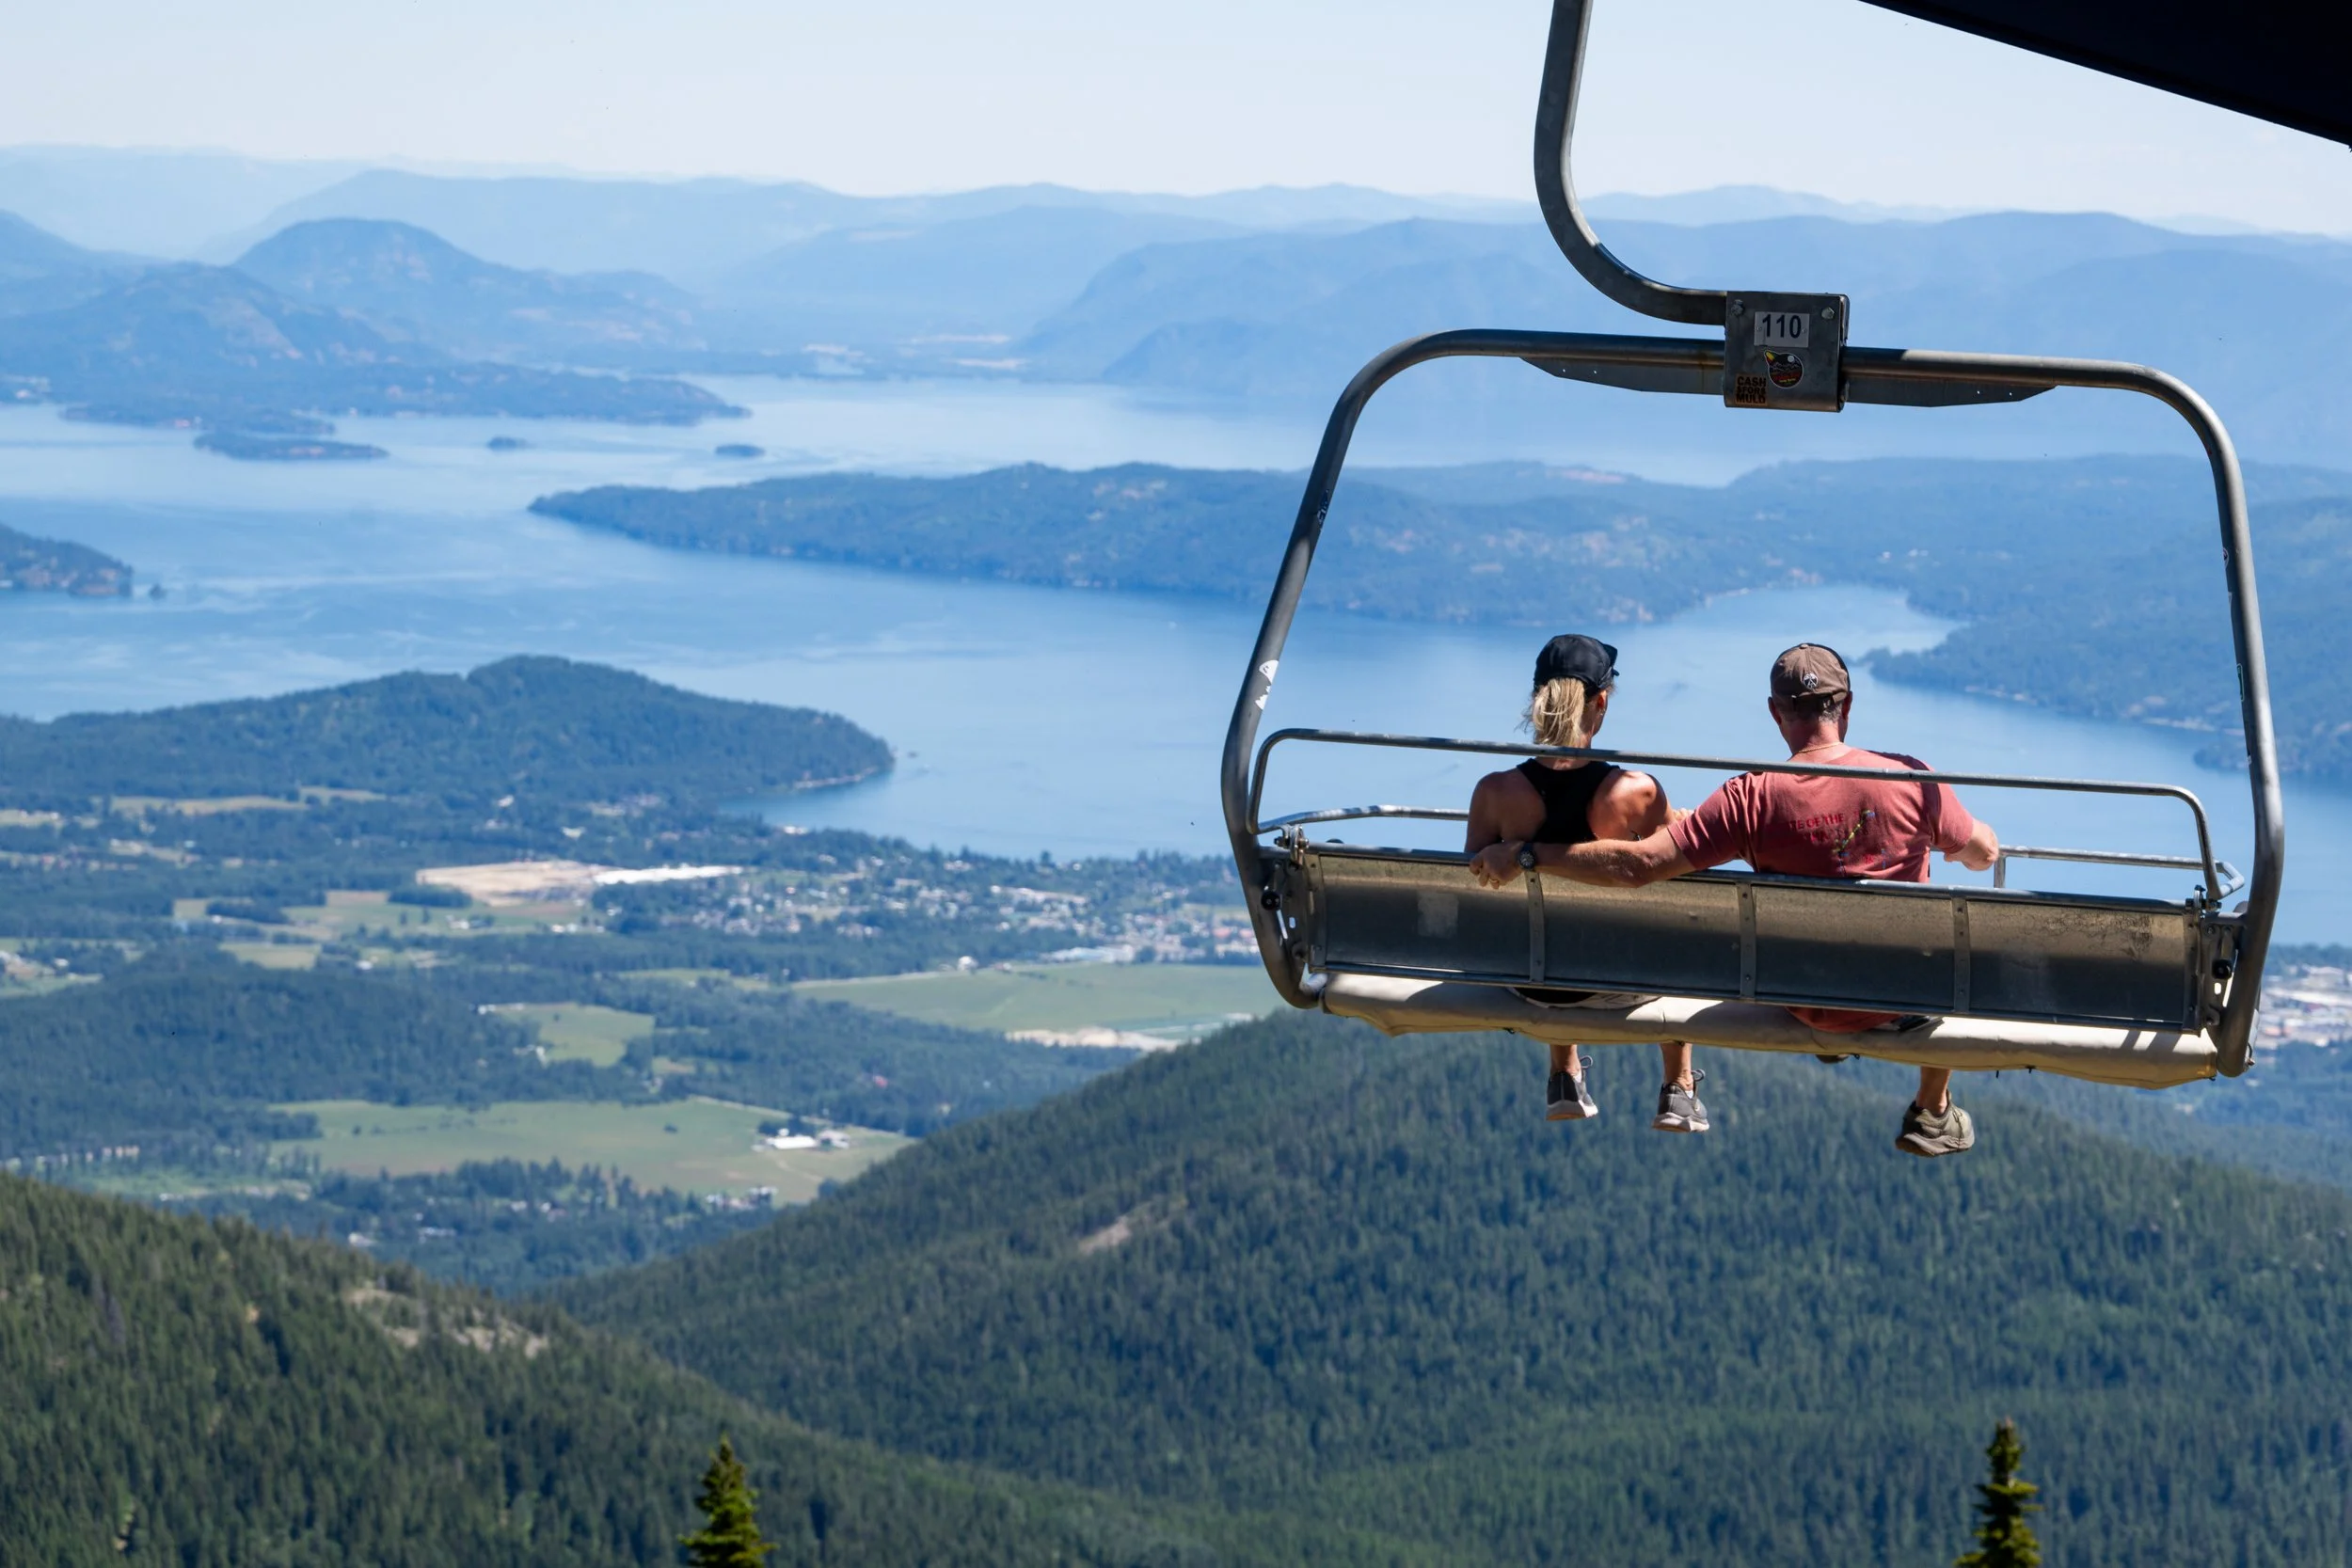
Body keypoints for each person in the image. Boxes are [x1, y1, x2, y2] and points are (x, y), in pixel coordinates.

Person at [1471, 642, 2000, 1159]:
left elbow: (1640, 865)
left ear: (1775, 713)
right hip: (1897, 998)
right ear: (1848, 706)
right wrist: (1957, 844)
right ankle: (1933, 1109)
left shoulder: (1750, 798)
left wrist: (1526, 854)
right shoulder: (1912, 779)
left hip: (1800, 997)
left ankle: (1578, 1067)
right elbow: (1983, 852)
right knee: (1955, 936)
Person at [1465, 633, 1708, 1134]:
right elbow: (1675, 865)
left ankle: (1564, 1072)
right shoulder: (1635, 793)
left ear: (1537, 698)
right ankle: (1679, 1087)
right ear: (1600, 704)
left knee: (1544, 927)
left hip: (1530, 985)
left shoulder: (1494, 794)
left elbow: (1473, 889)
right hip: (1619, 983)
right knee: (1671, 916)